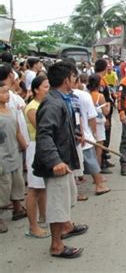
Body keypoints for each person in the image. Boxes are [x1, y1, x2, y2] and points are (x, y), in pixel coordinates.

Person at [33, 61, 88, 259]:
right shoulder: (53, 103)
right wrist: (55, 161)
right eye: (74, 77)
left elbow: (59, 128)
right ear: (67, 80)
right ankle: (56, 245)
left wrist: (74, 134)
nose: (76, 81)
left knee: (66, 199)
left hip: (64, 159)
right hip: (57, 163)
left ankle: (66, 227)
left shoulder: (60, 99)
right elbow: (45, 135)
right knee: (57, 205)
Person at [0, 80, 28, 233]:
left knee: (17, 183)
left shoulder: (10, 111)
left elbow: (17, 132)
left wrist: (25, 147)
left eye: (7, 92)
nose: (7, 95)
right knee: (2, 187)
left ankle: (17, 209)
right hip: (1, 157)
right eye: (3, 93)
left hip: (14, 153)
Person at [24, 75, 50, 238]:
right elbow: (42, 128)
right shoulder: (32, 107)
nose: (48, 90)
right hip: (35, 148)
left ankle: (43, 217)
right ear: (35, 90)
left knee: (42, 187)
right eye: (45, 87)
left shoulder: (42, 104)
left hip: (43, 147)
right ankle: (33, 227)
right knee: (34, 189)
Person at [94, 59, 115, 170]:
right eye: (107, 66)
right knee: (103, 138)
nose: (109, 68)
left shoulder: (102, 79)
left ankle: (104, 158)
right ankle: (102, 162)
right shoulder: (99, 81)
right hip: (103, 113)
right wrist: (105, 117)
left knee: (105, 137)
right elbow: (100, 101)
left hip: (106, 112)